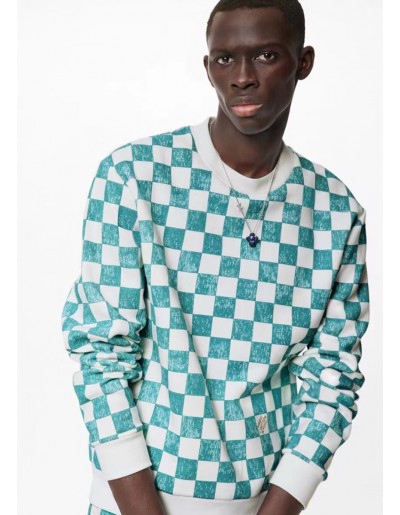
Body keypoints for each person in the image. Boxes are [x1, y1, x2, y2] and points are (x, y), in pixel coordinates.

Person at [61, 1, 369, 514]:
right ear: (208, 68)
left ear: (303, 62)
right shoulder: (134, 175)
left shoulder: (336, 211)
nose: (242, 77)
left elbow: (333, 382)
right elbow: (100, 357)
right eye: (225, 59)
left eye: (266, 55)